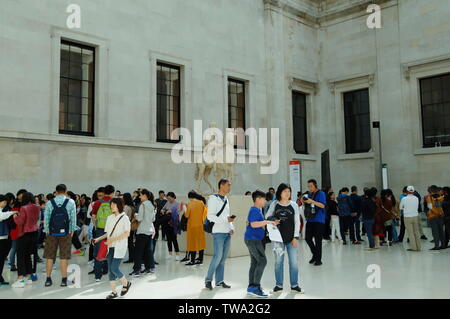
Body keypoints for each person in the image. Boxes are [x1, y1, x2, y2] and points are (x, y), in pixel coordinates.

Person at [266, 183, 303, 293]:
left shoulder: (294, 205)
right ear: (280, 193)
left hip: (291, 239)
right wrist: (273, 219)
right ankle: (279, 285)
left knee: (294, 263)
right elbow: (267, 216)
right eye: (285, 191)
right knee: (278, 262)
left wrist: (296, 237)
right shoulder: (274, 204)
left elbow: (297, 222)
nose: (287, 193)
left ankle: (294, 285)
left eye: (289, 191)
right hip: (278, 239)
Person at [93, 197, 132, 299]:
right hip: (110, 246)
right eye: (111, 205)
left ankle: (126, 283)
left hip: (120, 246)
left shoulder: (125, 218)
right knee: (111, 270)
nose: (111, 207)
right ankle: (113, 292)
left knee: (114, 268)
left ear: (119, 205)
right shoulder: (110, 217)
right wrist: (97, 239)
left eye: (113, 205)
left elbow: (127, 233)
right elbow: (108, 234)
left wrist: (113, 240)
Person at [42, 184, 79, 287]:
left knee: (49, 257)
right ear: (66, 191)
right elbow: (73, 218)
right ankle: (64, 280)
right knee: (64, 257)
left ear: (56, 191)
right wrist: (72, 230)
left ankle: (48, 279)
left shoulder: (49, 202)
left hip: (51, 233)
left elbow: (46, 218)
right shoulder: (71, 202)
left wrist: (46, 231)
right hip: (66, 232)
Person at [245, 190, 279, 298]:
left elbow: (258, 222)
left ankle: (252, 287)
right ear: (258, 199)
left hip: (254, 239)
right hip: (253, 240)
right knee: (262, 261)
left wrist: (270, 222)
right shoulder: (254, 210)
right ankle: (255, 287)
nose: (265, 201)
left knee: (255, 262)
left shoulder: (257, 210)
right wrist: (267, 222)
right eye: (264, 199)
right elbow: (254, 224)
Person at [205, 178, 235, 290]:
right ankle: (208, 280)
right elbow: (210, 216)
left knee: (222, 259)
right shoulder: (213, 198)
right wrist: (225, 220)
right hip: (218, 233)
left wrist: (231, 226)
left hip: (227, 232)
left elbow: (227, 216)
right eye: (228, 185)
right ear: (221, 186)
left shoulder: (226, 199)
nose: (229, 187)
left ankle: (219, 281)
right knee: (217, 257)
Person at [11, 192, 40, 288]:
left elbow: (20, 221)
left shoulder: (23, 208)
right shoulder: (37, 207)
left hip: (24, 234)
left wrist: (15, 217)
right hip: (34, 233)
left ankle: (20, 279)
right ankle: (28, 277)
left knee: (20, 256)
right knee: (28, 255)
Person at [91, 185, 115, 281]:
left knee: (99, 251)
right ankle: (109, 272)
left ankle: (97, 276)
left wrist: (96, 227)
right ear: (112, 193)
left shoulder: (97, 203)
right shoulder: (114, 202)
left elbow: (93, 217)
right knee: (111, 250)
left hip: (100, 229)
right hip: (112, 230)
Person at [130, 189, 156, 277]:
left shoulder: (143, 205)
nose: (140, 197)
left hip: (142, 231)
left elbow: (140, 218)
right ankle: (149, 267)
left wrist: (136, 215)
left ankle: (136, 270)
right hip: (149, 230)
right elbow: (153, 219)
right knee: (147, 251)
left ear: (145, 195)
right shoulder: (152, 205)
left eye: (141, 195)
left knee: (138, 251)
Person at [303, 179, 326, 265]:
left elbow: (322, 205)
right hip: (310, 219)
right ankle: (315, 255)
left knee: (318, 240)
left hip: (319, 220)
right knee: (307, 238)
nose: (309, 188)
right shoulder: (309, 194)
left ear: (315, 185)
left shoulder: (321, 193)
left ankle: (318, 259)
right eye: (308, 186)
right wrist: (304, 201)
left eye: (311, 186)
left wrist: (311, 201)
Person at [184, 191, 207, 266]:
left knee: (192, 243)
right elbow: (205, 212)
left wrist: (185, 208)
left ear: (189, 197)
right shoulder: (201, 202)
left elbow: (187, 215)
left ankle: (192, 261)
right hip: (200, 225)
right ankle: (201, 259)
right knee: (200, 242)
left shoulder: (190, 204)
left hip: (192, 226)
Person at [0, 195, 18, 286]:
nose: (5, 204)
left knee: (2, 258)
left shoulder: (2, 210)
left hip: (3, 237)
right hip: (1, 238)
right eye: (4, 202)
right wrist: (12, 212)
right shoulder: (1, 211)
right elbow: (2, 216)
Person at [400, 186, 421, 252]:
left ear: (407, 191)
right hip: (415, 216)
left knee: (410, 233)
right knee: (416, 232)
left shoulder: (404, 199)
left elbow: (400, 208)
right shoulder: (416, 198)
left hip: (407, 217)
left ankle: (414, 248)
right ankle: (419, 247)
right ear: (413, 191)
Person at [161, 192, 181, 260]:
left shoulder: (177, 204)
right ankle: (170, 254)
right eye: (167, 198)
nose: (169, 200)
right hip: (167, 223)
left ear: (173, 197)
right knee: (168, 239)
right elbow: (163, 209)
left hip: (173, 223)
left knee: (174, 239)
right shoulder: (167, 203)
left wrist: (171, 211)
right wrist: (163, 210)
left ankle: (177, 254)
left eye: (169, 198)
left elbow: (178, 213)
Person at [425, 185, 446, 250]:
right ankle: (443, 245)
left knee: (435, 232)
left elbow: (430, 208)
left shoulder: (429, 198)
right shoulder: (441, 197)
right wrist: (440, 213)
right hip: (441, 216)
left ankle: (436, 246)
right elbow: (443, 207)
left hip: (433, 216)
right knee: (441, 231)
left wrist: (437, 213)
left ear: (430, 191)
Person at [122, 193, 136, 263]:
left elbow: (123, 217)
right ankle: (132, 257)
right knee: (130, 242)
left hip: (127, 226)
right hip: (132, 226)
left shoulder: (126, 207)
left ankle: (131, 258)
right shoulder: (132, 206)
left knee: (129, 243)